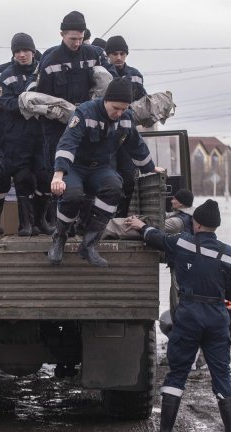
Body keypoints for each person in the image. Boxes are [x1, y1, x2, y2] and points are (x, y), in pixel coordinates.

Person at [131, 199, 231, 432]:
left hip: (188, 316)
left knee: (177, 374)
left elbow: (157, 238)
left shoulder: (183, 243)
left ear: (198, 224)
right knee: (222, 375)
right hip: (216, 317)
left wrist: (140, 226)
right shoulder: (230, 254)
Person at [47, 77, 156, 267]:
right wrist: (59, 175)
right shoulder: (85, 112)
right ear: (106, 100)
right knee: (72, 195)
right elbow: (68, 143)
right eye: (116, 108)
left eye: (124, 109)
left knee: (114, 188)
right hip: (75, 167)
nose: (119, 113)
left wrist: (151, 168)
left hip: (101, 168)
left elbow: (136, 145)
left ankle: (89, 245)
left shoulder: (126, 118)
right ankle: (60, 237)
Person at [36, 11, 116, 227]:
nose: (77, 43)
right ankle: (58, 226)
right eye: (73, 39)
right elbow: (44, 102)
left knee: (87, 174)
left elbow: (111, 84)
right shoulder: (50, 61)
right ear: (62, 34)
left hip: (88, 128)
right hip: (58, 130)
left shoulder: (93, 55)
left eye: (80, 38)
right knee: (59, 176)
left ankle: (83, 222)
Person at [0, 32, 52, 236]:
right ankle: (25, 225)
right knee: (23, 180)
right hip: (17, 139)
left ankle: (41, 221)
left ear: (33, 51)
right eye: (17, 51)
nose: (22, 55)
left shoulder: (42, 71)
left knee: (45, 178)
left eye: (25, 50)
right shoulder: (7, 75)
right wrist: (25, 104)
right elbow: (5, 102)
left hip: (41, 137)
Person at [105, 35, 149, 217]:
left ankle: (120, 217)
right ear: (108, 55)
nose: (119, 57)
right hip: (105, 135)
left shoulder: (135, 76)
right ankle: (103, 218)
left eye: (122, 53)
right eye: (115, 53)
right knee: (107, 178)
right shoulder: (102, 73)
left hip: (126, 135)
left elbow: (143, 102)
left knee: (129, 178)